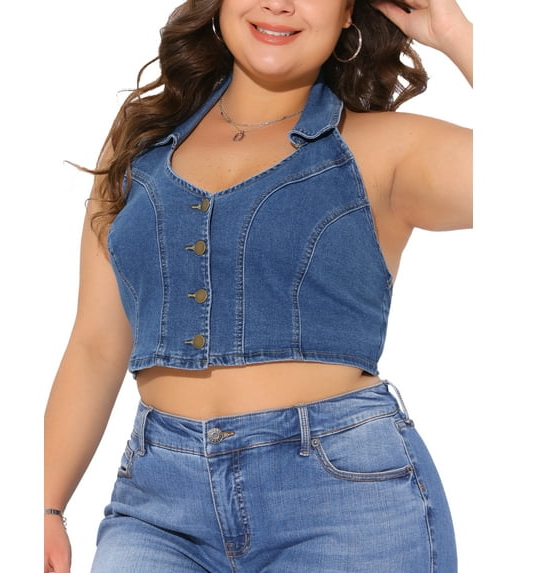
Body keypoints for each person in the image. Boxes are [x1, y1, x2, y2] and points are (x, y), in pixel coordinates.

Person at [44, 0, 472, 571]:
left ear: (349, 11)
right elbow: (96, 342)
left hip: (347, 503)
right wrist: (46, 505)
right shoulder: (141, 139)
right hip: (157, 506)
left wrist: (456, 33)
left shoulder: (390, 149)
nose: (279, 4)